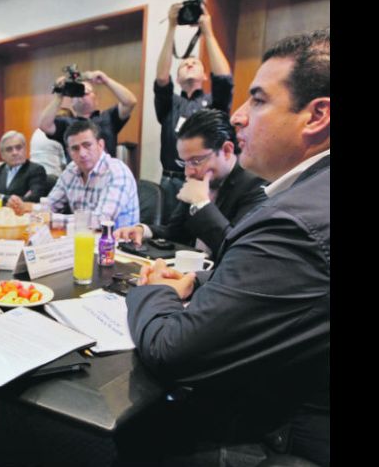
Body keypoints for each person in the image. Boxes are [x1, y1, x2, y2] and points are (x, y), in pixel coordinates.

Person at [124, 28, 330, 466]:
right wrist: (197, 281)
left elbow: (171, 351)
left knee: (141, 429)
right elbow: (261, 279)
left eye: (257, 100)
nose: (237, 116)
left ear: (316, 116)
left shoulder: (293, 220)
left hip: (287, 432)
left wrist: (152, 289)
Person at [114, 109, 267, 259]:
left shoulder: (255, 186)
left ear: (226, 150)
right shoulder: (198, 178)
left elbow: (236, 251)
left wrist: (201, 204)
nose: (188, 172)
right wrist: (144, 230)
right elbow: (175, 233)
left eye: (196, 161)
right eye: (184, 162)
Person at [155, 6, 233, 220]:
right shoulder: (171, 103)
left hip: (205, 179)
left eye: (195, 63)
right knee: (168, 235)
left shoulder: (213, 103)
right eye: (184, 64)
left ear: (205, 76)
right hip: (171, 181)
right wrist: (171, 26)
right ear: (178, 79)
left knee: (201, 232)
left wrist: (207, 31)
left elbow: (224, 77)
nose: (189, 63)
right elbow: (161, 78)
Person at [9, 119, 139, 229]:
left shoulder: (117, 172)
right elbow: (50, 205)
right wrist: (28, 208)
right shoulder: (71, 170)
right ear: (69, 152)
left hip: (118, 248)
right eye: (75, 148)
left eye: (87, 145)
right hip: (82, 241)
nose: (82, 153)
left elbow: (100, 221)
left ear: (100, 145)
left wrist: (50, 218)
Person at [39, 69, 137, 158]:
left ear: (96, 99)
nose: (82, 94)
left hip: (106, 174)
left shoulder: (109, 117)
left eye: (86, 91)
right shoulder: (66, 123)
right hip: (77, 174)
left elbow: (130, 102)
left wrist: (106, 81)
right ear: (72, 103)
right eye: (78, 92)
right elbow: (44, 125)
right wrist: (59, 95)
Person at [0, 130, 48, 204]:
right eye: (9, 149)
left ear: (25, 149)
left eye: (19, 147)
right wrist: (9, 198)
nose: (15, 153)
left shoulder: (36, 170)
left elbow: (34, 199)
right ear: (2, 154)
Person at [29, 108, 71, 179]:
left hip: (32, 175)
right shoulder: (59, 134)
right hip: (52, 177)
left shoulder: (37, 131)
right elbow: (67, 164)